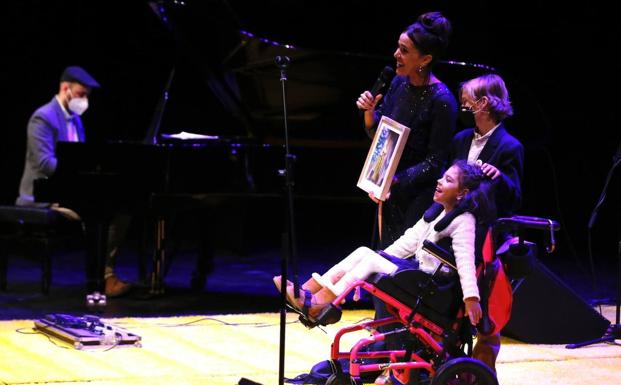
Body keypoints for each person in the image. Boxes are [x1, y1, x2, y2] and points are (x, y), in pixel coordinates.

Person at [274, 161, 495, 329]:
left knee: (370, 258)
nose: (439, 181)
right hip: (417, 277)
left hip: (432, 287)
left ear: (462, 193)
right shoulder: (437, 212)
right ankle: (310, 291)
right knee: (365, 252)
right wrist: (373, 263)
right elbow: (406, 243)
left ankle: (321, 304)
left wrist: (471, 299)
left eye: (448, 180)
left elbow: (466, 262)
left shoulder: (464, 220)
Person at [15, 65, 131, 297]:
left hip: (67, 191)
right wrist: (79, 175)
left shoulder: (76, 120)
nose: (84, 100)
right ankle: (99, 279)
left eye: (87, 96)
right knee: (97, 212)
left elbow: (81, 158)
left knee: (120, 209)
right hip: (41, 196)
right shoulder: (43, 118)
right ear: (65, 88)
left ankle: (103, 274)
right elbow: (45, 164)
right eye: (81, 94)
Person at [356, 11, 458, 249]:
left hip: (416, 196)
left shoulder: (442, 101)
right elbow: (380, 136)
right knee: (379, 256)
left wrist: (395, 180)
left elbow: (435, 162)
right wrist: (370, 112)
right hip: (389, 189)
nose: (396, 55)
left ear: (425, 60)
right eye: (398, 47)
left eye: (404, 50)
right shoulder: (398, 83)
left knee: (398, 264)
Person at [451, 73, 524, 372]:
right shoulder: (460, 140)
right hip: (457, 230)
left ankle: (481, 375)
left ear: (483, 103)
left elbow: (515, 195)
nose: (463, 103)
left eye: (468, 98)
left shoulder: (509, 146)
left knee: (487, 317)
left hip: (487, 239)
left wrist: (499, 177)